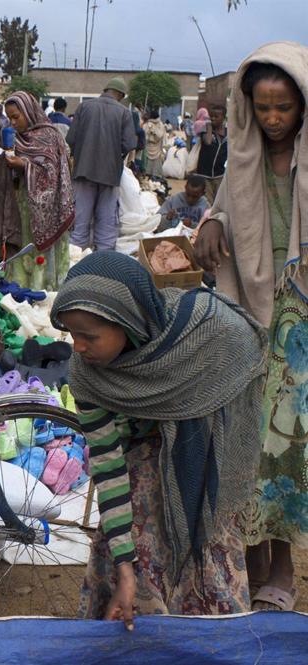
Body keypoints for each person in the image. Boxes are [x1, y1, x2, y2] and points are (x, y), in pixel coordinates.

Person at [52, 251, 266, 628]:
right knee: (141, 545)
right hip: (141, 467)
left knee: (207, 554)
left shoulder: (205, 336)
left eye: (88, 336)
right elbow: (107, 463)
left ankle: (211, 640)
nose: (78, 347)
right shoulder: (88, 376)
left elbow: (244, 349)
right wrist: (125, 565)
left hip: (208, 469)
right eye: (71, 335)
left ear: (129, 323)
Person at [194, 42, 308, 613]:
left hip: (303, 322)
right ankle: (255, 556)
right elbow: (222, 209)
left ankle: (283, 561)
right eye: (263, 108)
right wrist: (212, 224)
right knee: (249, 440)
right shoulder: (243, 158)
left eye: (284, 107)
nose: (272, 119)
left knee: (288, 444)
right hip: (252, 316)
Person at [0, 91, 74, 291]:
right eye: (10, 118)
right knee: (25, 241)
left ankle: (44, 285)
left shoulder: (49, 135)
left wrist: (24, 165)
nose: (13, 123)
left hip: (49, 208)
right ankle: (21, 283)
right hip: (25, 202)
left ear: (29, 111)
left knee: (41, 249)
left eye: (16, 117)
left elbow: (53, 172)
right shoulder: (21, 138)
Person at [65, 77, 136, 251]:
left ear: (105, 90)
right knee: (106, 221)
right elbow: (129, 144)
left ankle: (76, 258)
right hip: (110, 174)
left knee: (80, 220)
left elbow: (71, 138)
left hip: (83, 171)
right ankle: (103, 262)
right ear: (120, 94)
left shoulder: (84, 107)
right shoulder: (124, 112)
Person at [191, 102, 228, 203]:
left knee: (218, 202)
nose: (213, 118)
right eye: (211, 116)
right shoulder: (206, 131)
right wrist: (208, 125)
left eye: (216, 116)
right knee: (207, 203)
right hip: (204, 175)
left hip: (219, 175)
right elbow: (208, 142)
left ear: (224, 118)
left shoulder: (228, 134)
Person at [143, 109, 167, 176]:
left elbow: (160, 135)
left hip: (157, 147)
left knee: (156, 163)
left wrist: (154, 131)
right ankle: (147, 174)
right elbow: (145, 135)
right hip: (148, 146)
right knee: (148, 163)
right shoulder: (147, 124)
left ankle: (155, 175)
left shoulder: (160, 124)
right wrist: (149, 130)